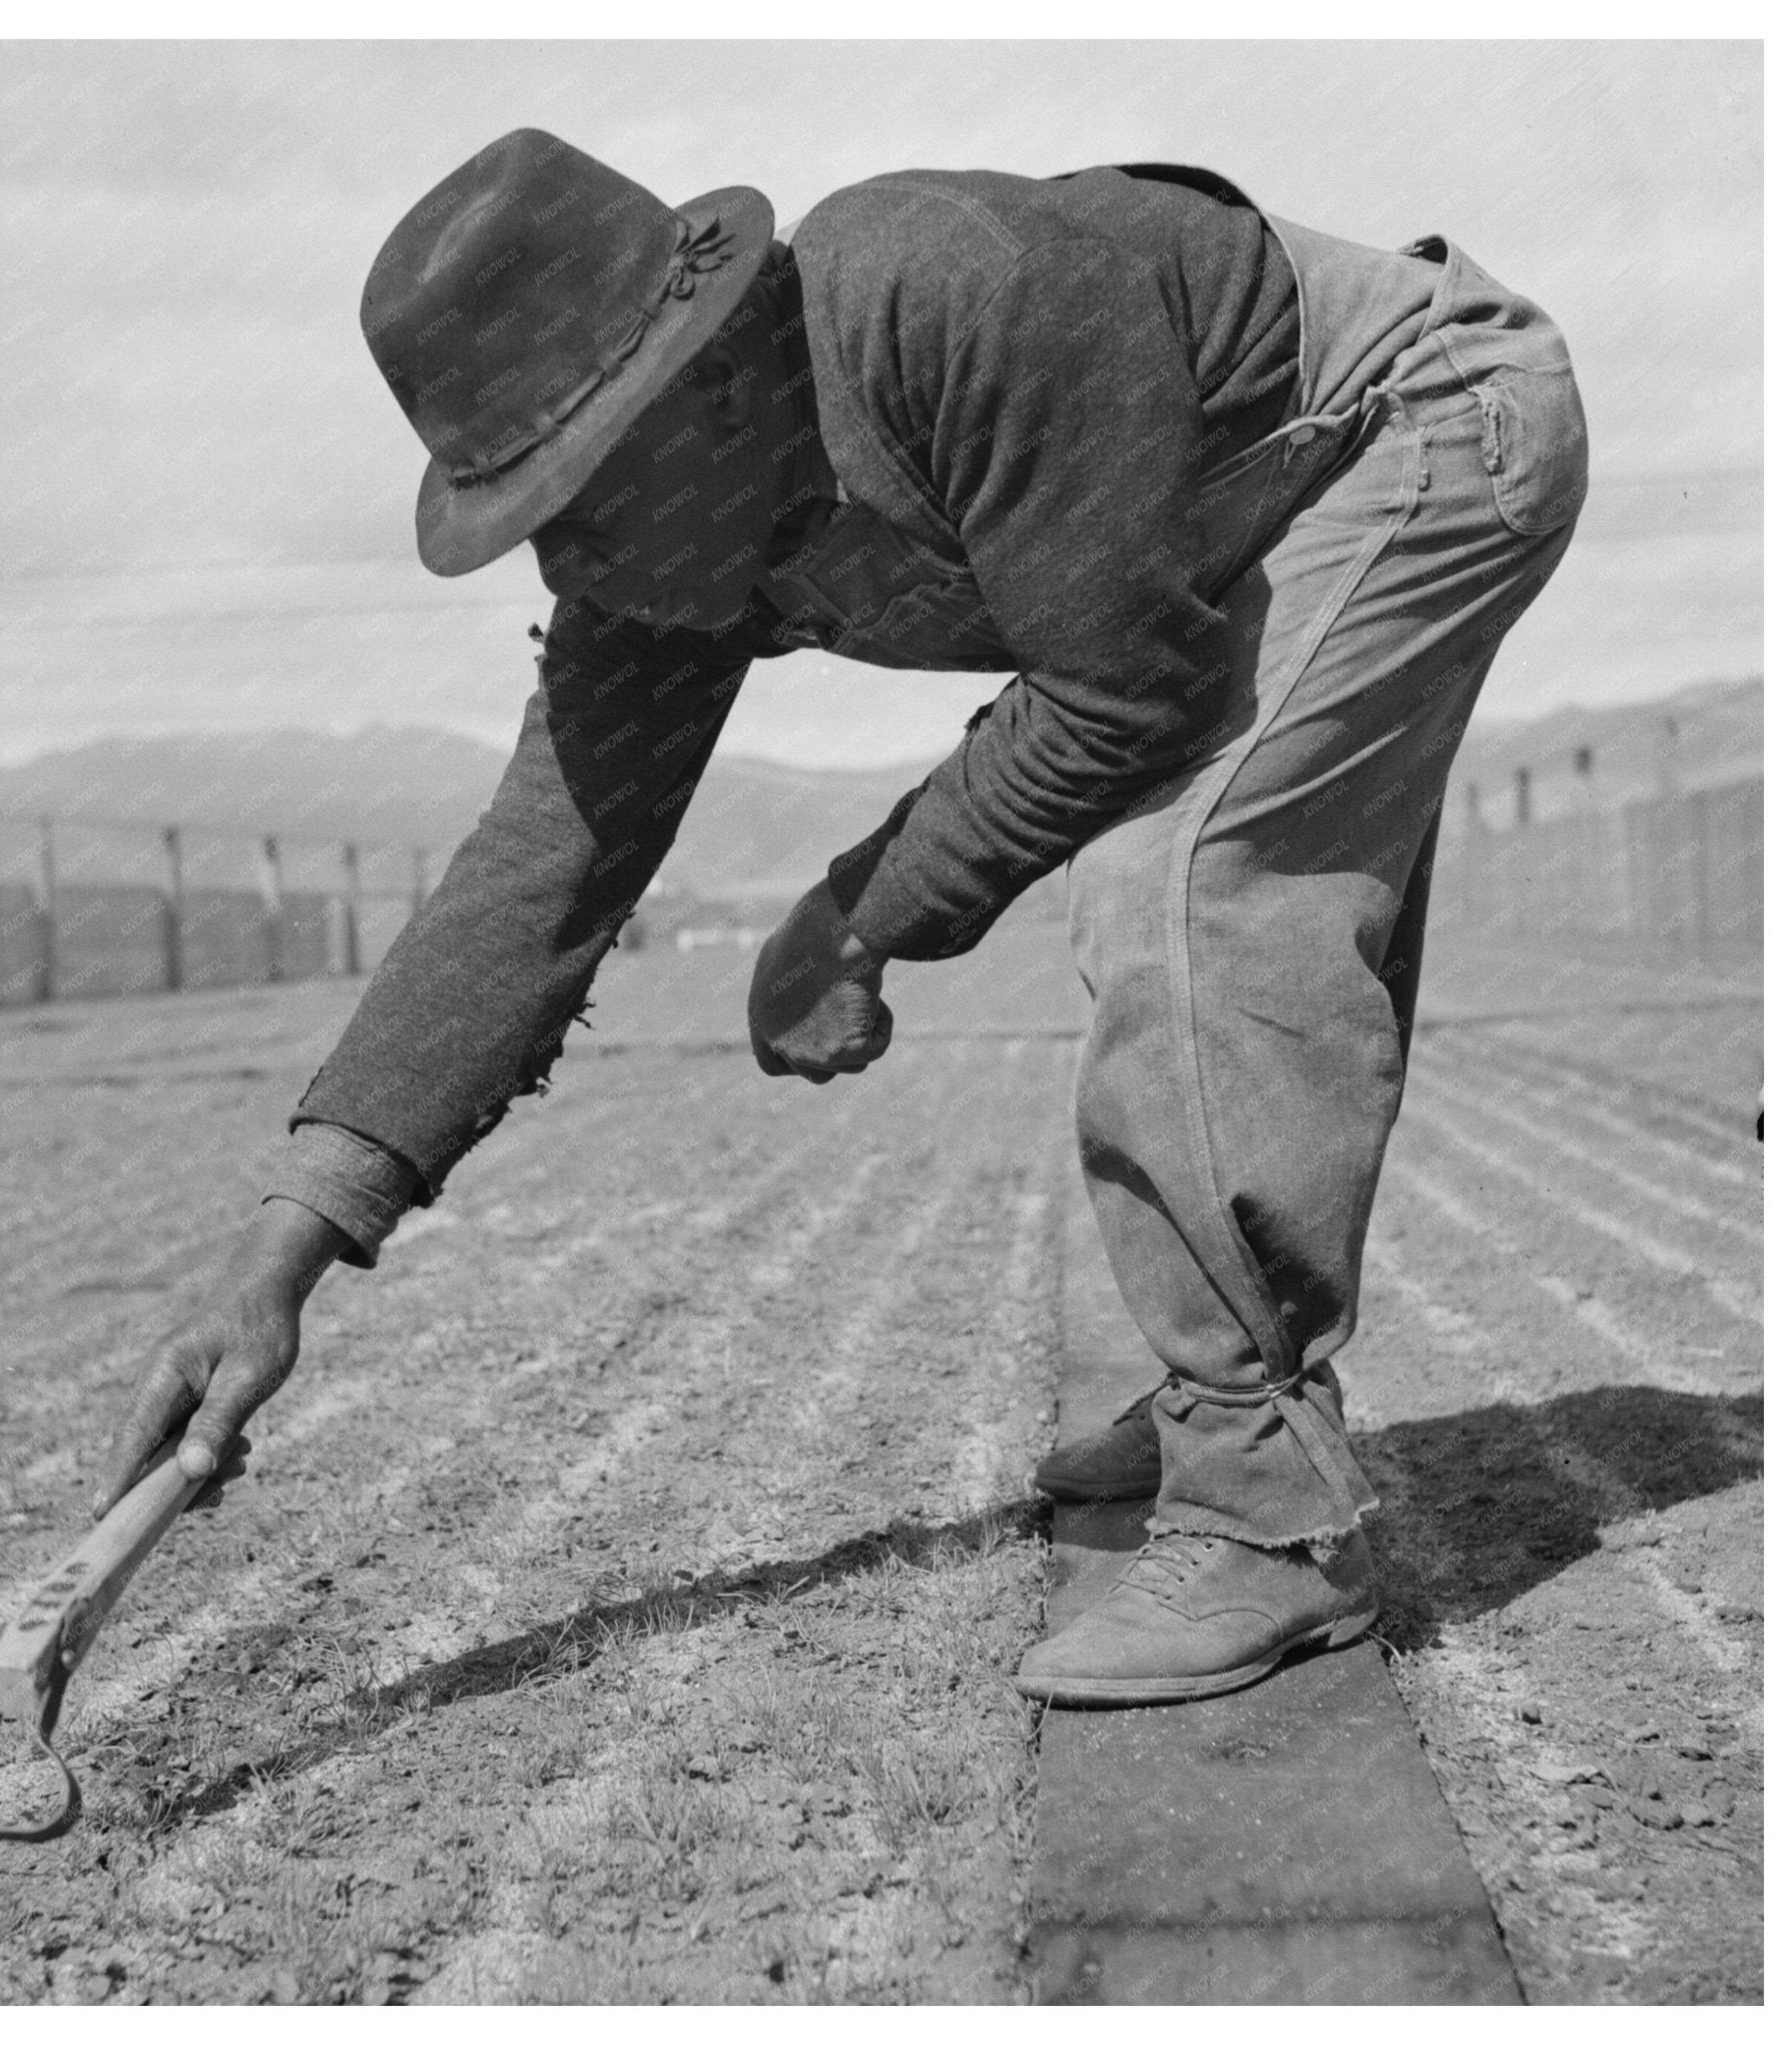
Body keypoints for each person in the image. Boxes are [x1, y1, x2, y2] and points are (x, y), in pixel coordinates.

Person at [96, 129, 1587, 1704]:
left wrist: (858, 916)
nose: (565, 555)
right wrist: (279, 1258)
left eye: (579, 490)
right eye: (528, 508)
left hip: (1421, 421)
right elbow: (534, 875)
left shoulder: (955, 292)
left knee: (1188, 877)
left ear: (710, 374)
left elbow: (1125, 686)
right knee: (1213, 872)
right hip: (1243, 530)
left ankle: (1268, 1518)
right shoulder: (661, 541)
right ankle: (1228, 1408)